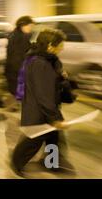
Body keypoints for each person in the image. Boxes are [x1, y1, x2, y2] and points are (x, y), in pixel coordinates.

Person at [11, 29, 75, 177]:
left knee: (53, 137)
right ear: (50, 45)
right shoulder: (40, 63)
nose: (62, 48)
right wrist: (55, 118)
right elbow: (43, 95)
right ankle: (16, 162)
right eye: (60, 45)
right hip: (39, 110)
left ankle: (52, 163)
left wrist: (61, 76)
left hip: (48, 106)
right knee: (34, 140)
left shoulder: (49, 59)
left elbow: (51, 82)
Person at [4, 16, 34, 110]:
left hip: (15, 66)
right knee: (17, 87)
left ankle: (15, 104)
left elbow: (28, 49)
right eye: (29, 26)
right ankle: (13, 105)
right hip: (15, 67)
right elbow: (16, 55)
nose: (30, 28)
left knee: (18, 88)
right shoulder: (18, 37)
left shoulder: (18, 35)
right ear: (22, 25)